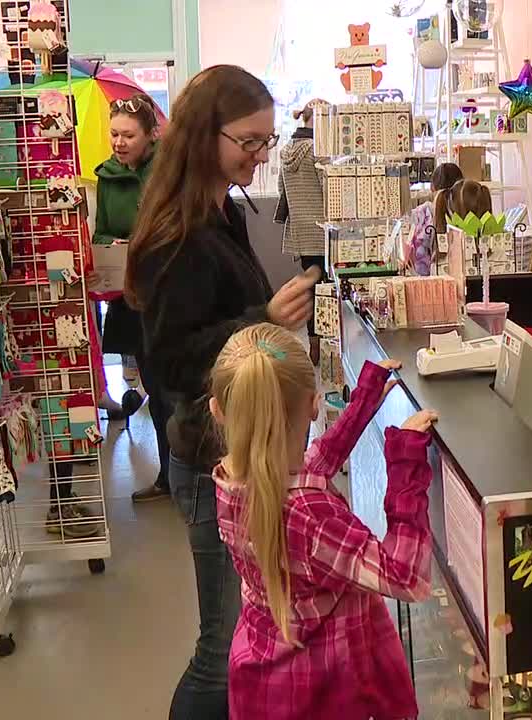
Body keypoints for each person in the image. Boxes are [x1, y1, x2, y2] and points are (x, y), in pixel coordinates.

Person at [125, 65, 317, 720]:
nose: (262, 156)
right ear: (208, 133)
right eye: (251, 141)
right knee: (222, 643)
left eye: (269, 140)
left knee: (239, 635)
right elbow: (175, 363)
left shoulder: (220, 211)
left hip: (233, 452)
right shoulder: (179, 233)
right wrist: (265, 318)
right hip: (209, 460)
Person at [209, 323, 438, 719]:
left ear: (218, 410)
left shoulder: (231, 482)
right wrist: (404, 461)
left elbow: (309, 465)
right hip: (323, 690)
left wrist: (365, 402)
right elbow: (405, 576)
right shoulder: (311, 515)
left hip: (264, 681)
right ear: (315, 405)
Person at [91, 92, 173, 503]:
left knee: (177, 387)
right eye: (114, 134)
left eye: (128, 135)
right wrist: (115, 243)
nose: (119, 142)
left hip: (172, 290)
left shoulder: (168, 172)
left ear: (149, 136)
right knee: (156, 388)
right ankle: (168, 477)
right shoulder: (107, 176)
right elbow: (101, 232)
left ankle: (191, 475)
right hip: (132, 295)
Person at [274, 99, 328, 362]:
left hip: (300, 231)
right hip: (324, 230)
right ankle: (329, 346)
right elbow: (331, 192)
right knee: (329, 288)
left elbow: (281, 191)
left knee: (312, 289)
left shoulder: (286, 150)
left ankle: (314, 345)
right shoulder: (318, 151)